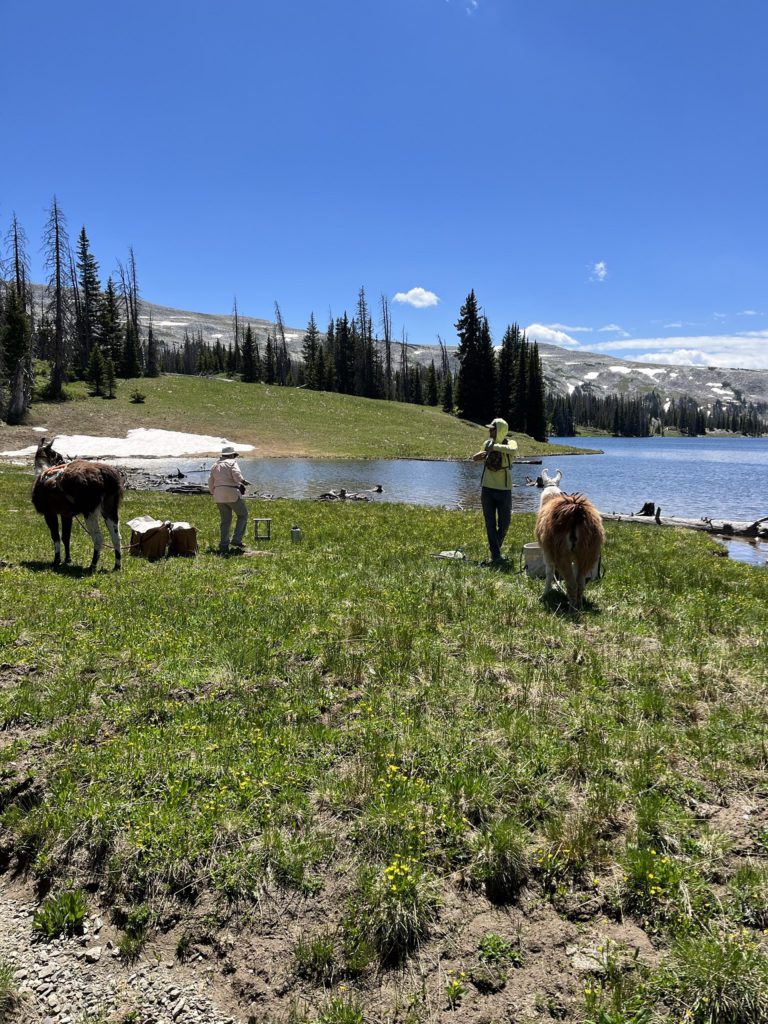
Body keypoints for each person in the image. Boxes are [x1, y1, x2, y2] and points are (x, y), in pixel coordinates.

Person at [472, 417, 518, 565]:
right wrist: (476, 457)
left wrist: (495, 447)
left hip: (504, 489)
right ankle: (496, 555)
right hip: (487, 489)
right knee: (489, 522)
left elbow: (513, 450)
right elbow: (480, 457)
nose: (489, 431)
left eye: (493, 428)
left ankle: (495, 549)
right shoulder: (486, 444)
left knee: (505, 523)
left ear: (500, 430)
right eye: (490, 428)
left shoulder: (510, 443)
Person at [208, 445, 250, 554]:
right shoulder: (232, 463)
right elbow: (236, 475)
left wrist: (214, 492)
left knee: (225, 521)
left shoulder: (214, 465)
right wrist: (243, 481)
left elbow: (210, 481)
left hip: (218, 495)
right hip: (231, 492)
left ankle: (223, 545)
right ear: (232, 455)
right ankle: (236, 540)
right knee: (243, 515)